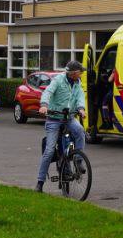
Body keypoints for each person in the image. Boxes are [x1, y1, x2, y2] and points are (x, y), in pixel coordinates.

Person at [36, 59, 87, 192]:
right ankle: (40, 182)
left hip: (69, 118)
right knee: (49, 151)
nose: (81, 74)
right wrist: (44, 105)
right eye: (80, 72)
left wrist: (81, 108)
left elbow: (80, 96)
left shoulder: (77, 82)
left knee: (80, 131)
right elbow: (48, 92)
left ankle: (78, 159)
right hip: (54, 119)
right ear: (74, 73)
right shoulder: (58, 80)